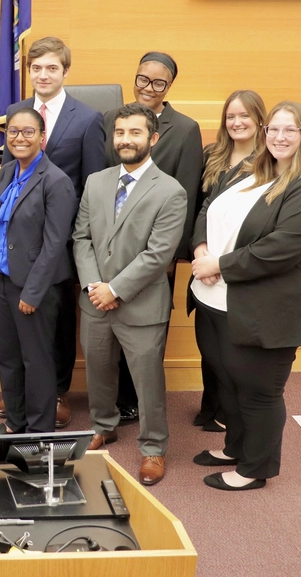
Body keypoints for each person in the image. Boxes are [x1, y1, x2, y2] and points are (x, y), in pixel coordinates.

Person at [189, 101, 301, 491]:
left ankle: (254, 469)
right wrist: (202, 247)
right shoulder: (257, 172)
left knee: (258, 390)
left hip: (271, 308)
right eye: (274, 129)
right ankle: (235, 447)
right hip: (226, 300)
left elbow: (280, 248)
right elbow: (210, 206)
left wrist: (218, 264)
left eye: (291, 130)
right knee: (231, 382)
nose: (280, 137)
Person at [74, 103, 186, 486]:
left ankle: (153, 448)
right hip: (95, 300)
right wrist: (94, 286)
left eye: (135, 133)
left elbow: (159, 255)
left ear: (152, 139)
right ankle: (103, 425)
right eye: (120, 133)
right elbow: (81, 238)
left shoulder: (171, 191)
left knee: (146, 381)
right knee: (99, 370)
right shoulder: (96, 181)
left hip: (140, 305)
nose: (126, 139)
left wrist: (115, 289)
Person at [0, 36, 106, 428]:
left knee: (56, 325)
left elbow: (93, 186)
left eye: (51, 68)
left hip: (61, 243)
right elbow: (12, 174)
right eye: (36, 68)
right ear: (28, 72)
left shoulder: (89, 118)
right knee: (20, 336)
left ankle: (57, 392)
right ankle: (25, 398)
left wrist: (77, 242)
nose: (43, 75)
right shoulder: (16, 111)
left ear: (65, 72)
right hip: (19, 240)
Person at [103, 51, 203, 425]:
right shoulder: (113, 119)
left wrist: (171, 258)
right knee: (109, 326)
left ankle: (138, 401)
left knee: (146, 331)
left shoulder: (186, 129)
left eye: (158, 83)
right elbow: (101, 177)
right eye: (142, 79)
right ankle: (112, 400)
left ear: (169, 87)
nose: (148, 88)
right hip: (112, 246)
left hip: (156, 252)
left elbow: (188, 193)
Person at [0, 107, 77, 439]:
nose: (19, 138)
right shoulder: (7, 171)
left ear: (42, 137)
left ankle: (38, 430)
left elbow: (54, 246)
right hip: (2, 281)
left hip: (35, 288)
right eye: (13, 132)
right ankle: (15, 422)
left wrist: (32, 293)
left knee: (36, 362)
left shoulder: (56, 181)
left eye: (27, 132)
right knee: (8, 358)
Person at [193, 90, 267, 433]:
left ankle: (231, 416)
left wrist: (219, 263)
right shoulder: (212, 155)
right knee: (209, 350)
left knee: (230, 356)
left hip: (234, 269)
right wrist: (200, 250)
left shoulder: (269, 162)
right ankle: (214, 407)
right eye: (230, 117)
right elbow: (201, 207)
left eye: (244, 116)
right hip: (204, 264)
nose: (237, 123)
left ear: (259, 120)